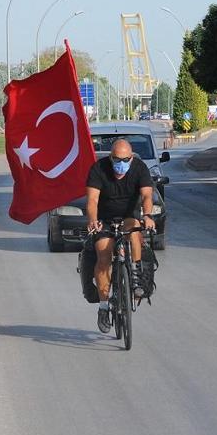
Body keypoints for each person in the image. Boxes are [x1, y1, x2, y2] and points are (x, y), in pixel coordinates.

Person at [86, 139, 156, 334]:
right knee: (103, 254)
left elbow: (147, 196)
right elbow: (92, 200)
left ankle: (135, 276)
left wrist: (148, 216)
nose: (120, 163)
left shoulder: (139, 168)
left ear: (131, 158)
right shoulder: (99, 169)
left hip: (128, 216)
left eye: (125, 159)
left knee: (134, 230)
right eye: (116, 159)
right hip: (104, 219)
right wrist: (93, 220)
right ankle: (103, 306)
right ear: (110, 157)